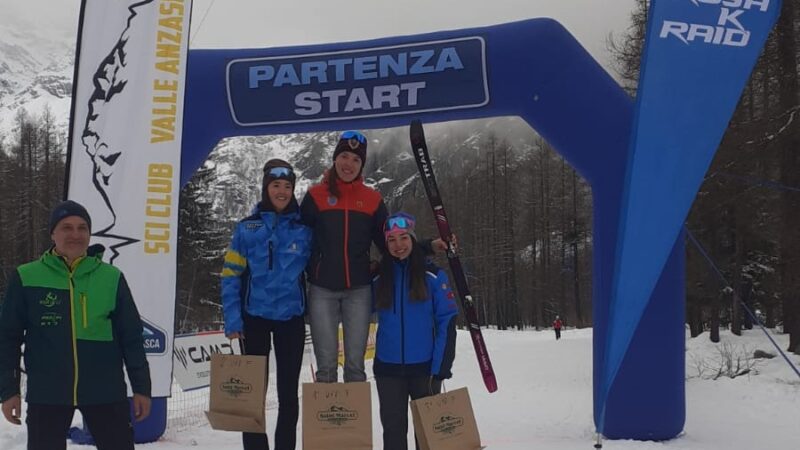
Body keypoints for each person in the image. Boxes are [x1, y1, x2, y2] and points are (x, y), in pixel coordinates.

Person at [0, 200, 151, 450]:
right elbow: (8, 338)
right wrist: (9, 390)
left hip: (105, 390)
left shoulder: (111, 277)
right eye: (66, 227)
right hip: (47, 392)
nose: (75, 234)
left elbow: (131, 337)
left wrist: (142, 388)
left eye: (82, 228)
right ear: (53, 233)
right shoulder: (26, 276)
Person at [221, 159, 312, 450]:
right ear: (265, 189)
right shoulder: (247, 229)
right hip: (254, 320)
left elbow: (326, 266)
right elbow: (230, 276)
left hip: (291, 320)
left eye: (287, 186)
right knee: (252, 394)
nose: (282, 191)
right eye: (276, 186)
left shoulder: (304, 230)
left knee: (288, 394)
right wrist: (233, 320)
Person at [372, 212, 458, 450]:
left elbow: (447, 322)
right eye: (391, 240)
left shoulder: (433, 275)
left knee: (427, 434)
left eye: (404, 238)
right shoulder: (379, 277)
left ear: (412, 239)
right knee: (393, 432)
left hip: (425, 370)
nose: (398, 245)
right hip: (388, 370)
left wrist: (440, 368)